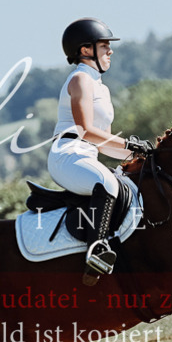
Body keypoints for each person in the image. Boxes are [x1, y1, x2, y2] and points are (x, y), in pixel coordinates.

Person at [48, 18, 153, 285]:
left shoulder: (101, 87)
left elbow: (104, 144)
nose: (110, 50)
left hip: (87, 156)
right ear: (86, 50)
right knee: (106, 182)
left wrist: (141, 156)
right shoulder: (80, 79)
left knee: (129, 181)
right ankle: (96, 251)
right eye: (104, 45)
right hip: (67, 155)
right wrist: (129, 144)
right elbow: (85, 130)